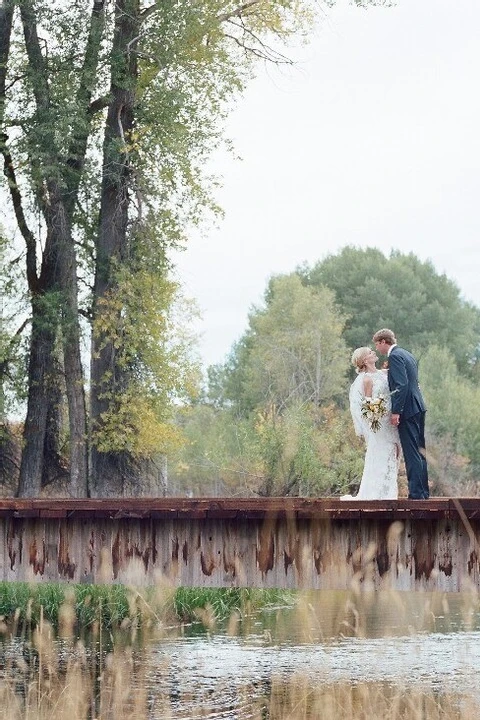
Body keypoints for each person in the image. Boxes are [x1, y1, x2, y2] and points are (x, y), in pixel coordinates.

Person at [372, 328, 429, 500]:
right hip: (418, 406)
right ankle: (423, 492)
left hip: (408, 409)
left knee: (411, 451)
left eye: (377, 345)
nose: (376, 349)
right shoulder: (407, 354)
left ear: (383, 342)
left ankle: (417, 495)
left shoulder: (395, 356)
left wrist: (396, 411)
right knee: (420, 451)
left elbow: (401, 385)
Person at [341, 346, 400, 500]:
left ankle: (388, 493)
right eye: (369, 352)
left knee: (394, 453)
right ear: (364, 360)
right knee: (381, 452)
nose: (373, 352)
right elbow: (367, 404)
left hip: (390, 422)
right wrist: (375, 416)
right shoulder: (366, 379)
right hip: (378, 423)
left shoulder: (383, 373)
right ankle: (375, 494)